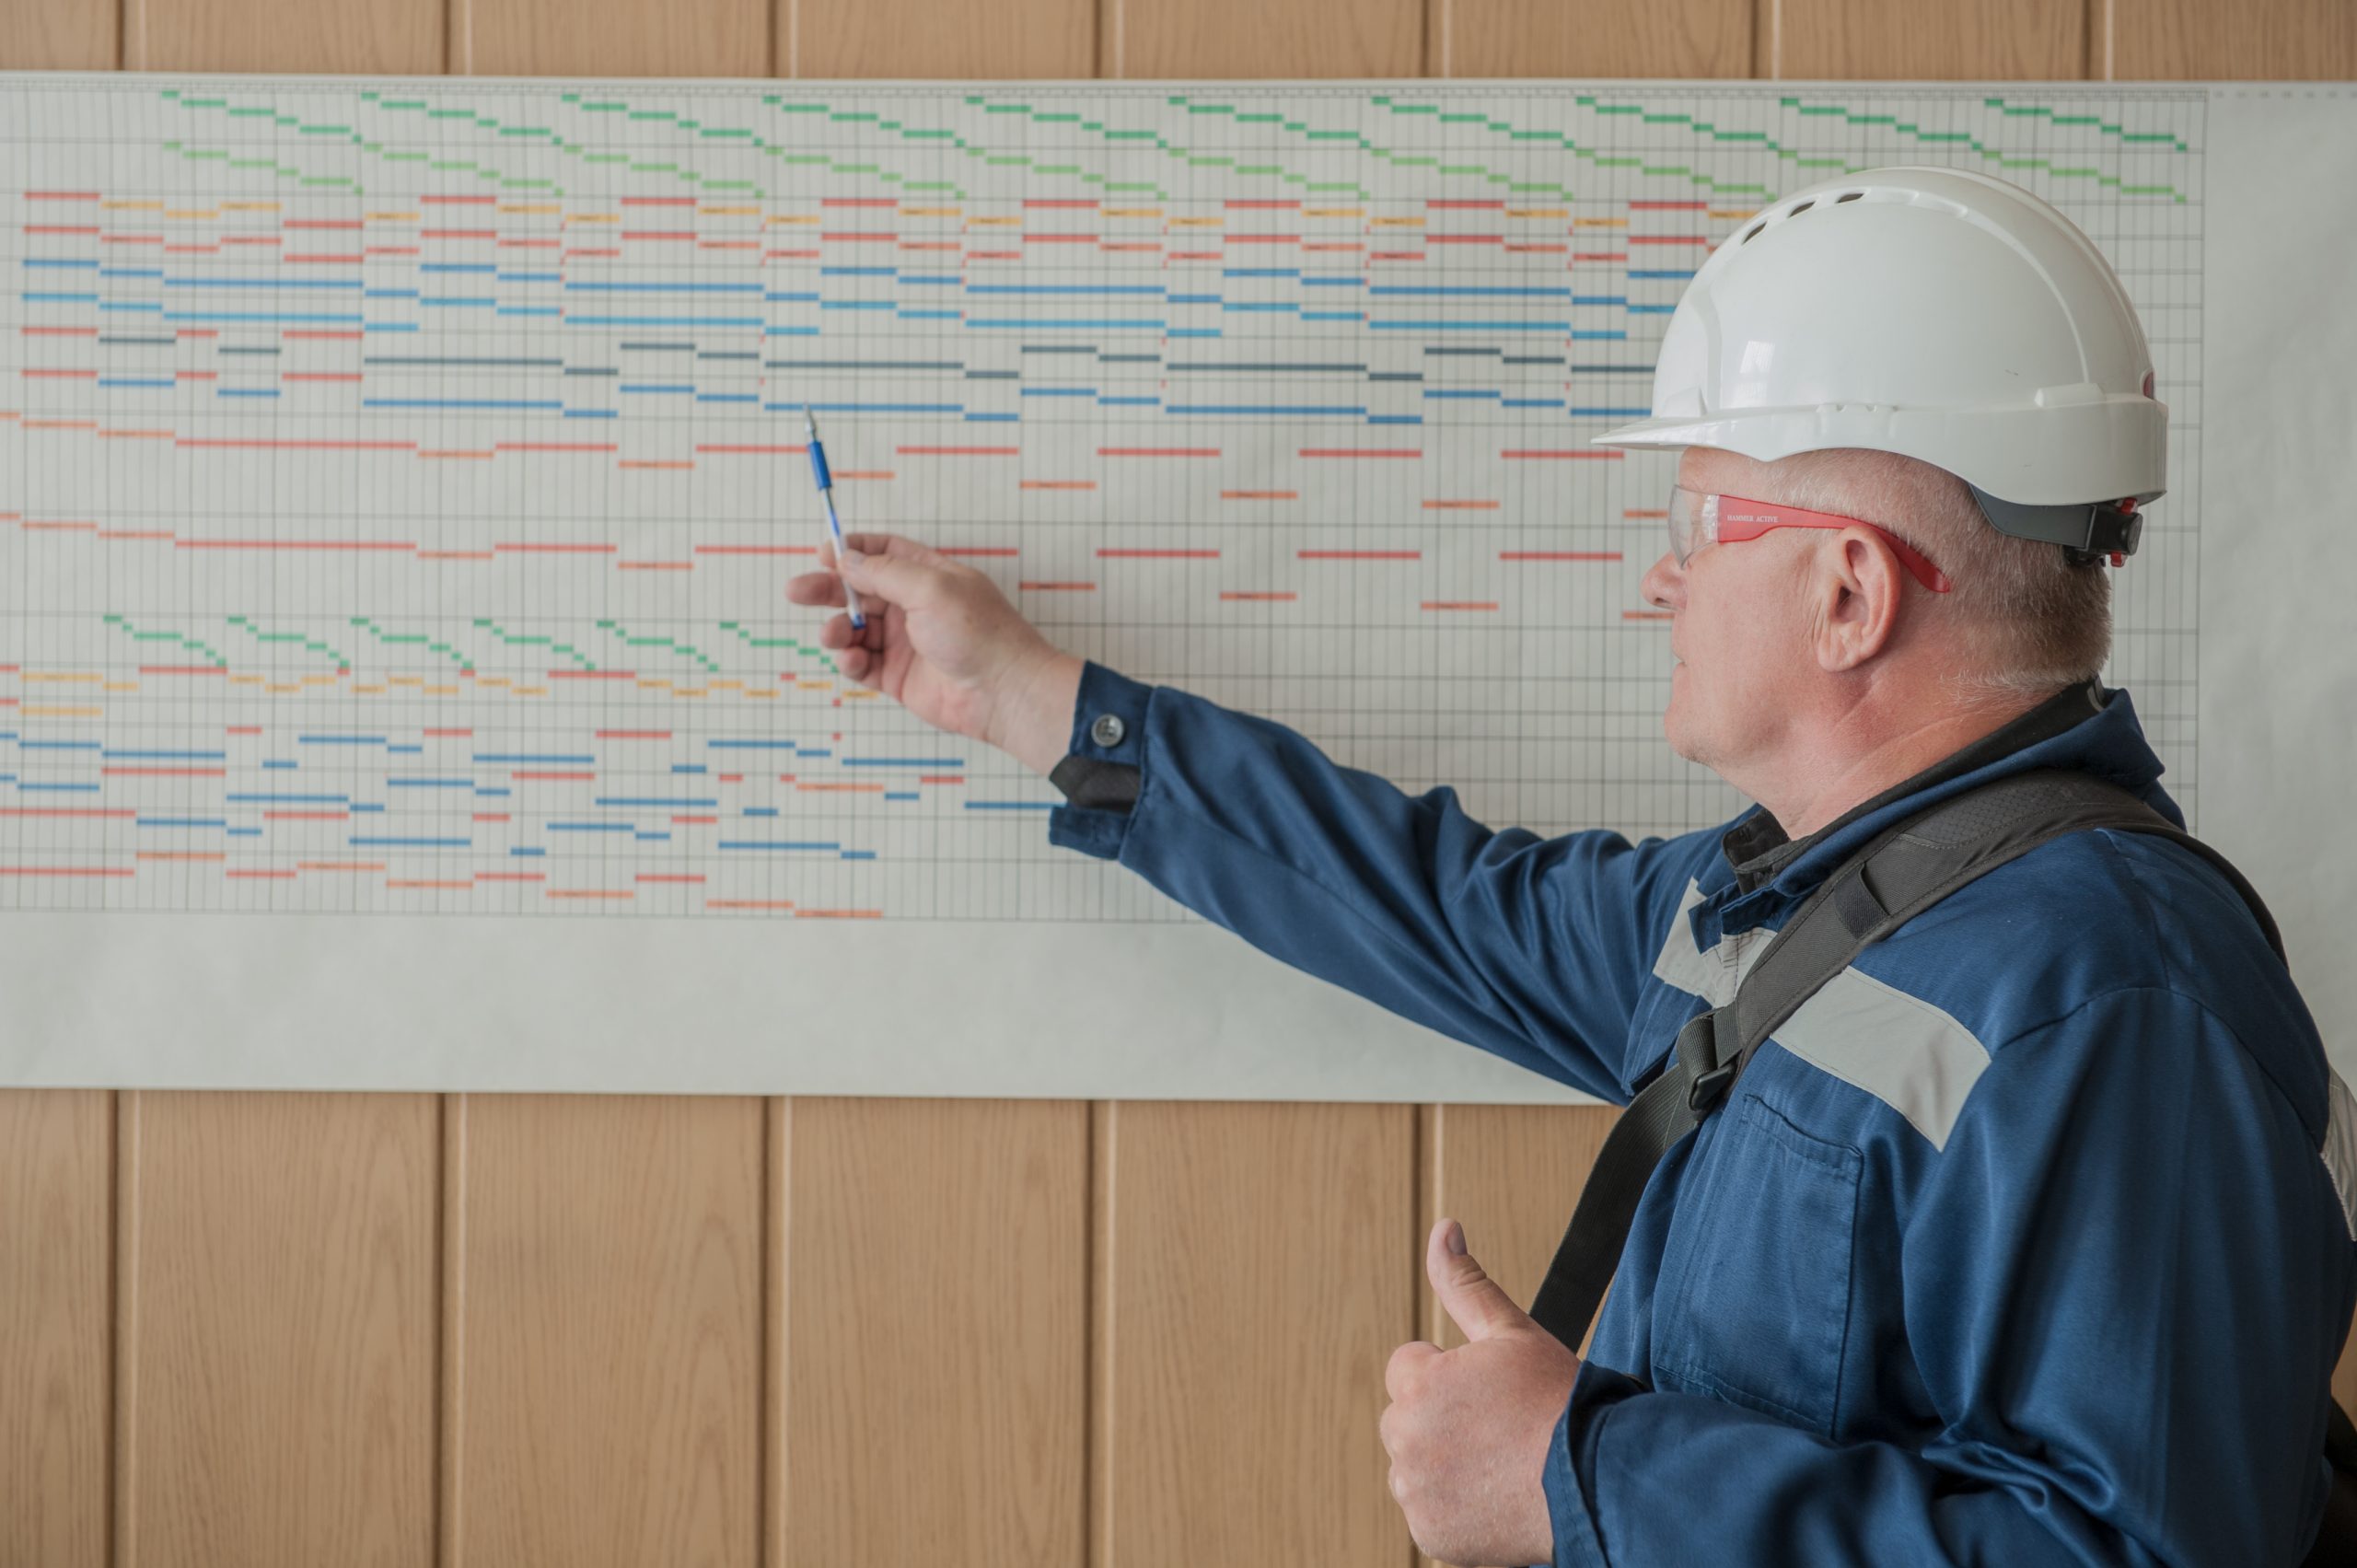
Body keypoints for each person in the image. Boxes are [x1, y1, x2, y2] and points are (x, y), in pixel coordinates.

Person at [786, 167, 2357, 1566]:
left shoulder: (2117, 999)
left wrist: (1578, 1476)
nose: (1663, 575)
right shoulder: (1776, 911)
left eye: (1698, 518)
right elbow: (1437, 904)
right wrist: (1030, 697)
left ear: (1848, 594)